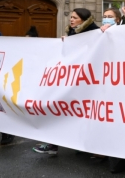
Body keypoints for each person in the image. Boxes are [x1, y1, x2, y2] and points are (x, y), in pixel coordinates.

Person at [33, 8, 100, 155]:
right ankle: (53, 144)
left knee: (81, 114)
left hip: (86, 81)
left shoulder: (94, 32)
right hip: (71, 79)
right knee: (59, 110)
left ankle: (85, 145)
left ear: (84, 19)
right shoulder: (72, 32)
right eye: (71, 17)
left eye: (75, 17)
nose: (71, 20)